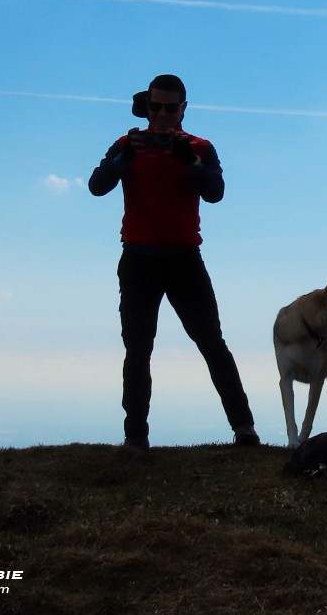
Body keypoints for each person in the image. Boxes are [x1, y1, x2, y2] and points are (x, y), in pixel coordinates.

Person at [89, 73, 259, 452]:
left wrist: (191, 165)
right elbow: (97, 185)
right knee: (138, 348)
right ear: (146, 106)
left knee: (212, 343)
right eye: (156, 106)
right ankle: (136, 436)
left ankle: (245, 430)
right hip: (139, 260)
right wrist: (123, 160)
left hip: (183, 259)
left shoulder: (199, 147)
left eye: (170, 107)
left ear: (183, 109)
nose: (162, 115)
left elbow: (215, 193)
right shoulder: (126, 144)